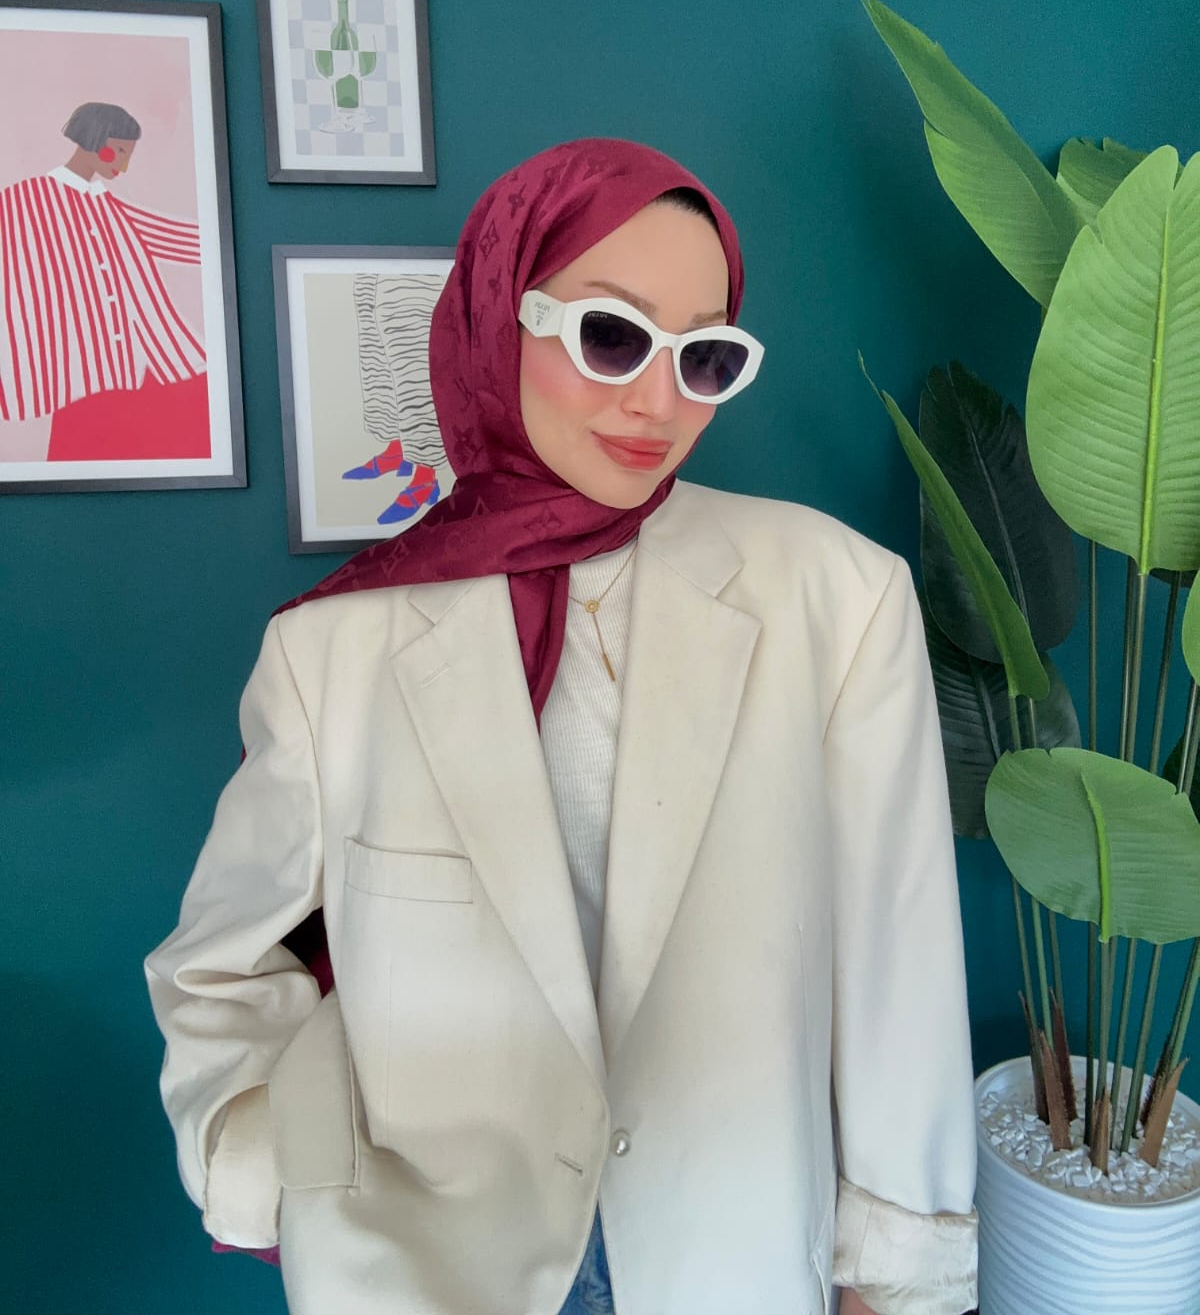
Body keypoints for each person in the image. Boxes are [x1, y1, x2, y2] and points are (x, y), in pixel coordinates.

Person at [146, 139, 978, 1315]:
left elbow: (898, 961)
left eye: (705, 357)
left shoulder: (837, 599)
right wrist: (270, 1170)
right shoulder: (337, 648)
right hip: (427, 1271)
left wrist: (893, 1272)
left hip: (728, 1252)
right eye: (611, 335)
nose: (658, 402)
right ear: (501, 315)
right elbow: (221, 964)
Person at [0, 101, 208, 461]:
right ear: (94, 140)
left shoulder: (108, 205)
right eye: (120, 152)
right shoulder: (18, 202)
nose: (123, 166)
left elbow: (185, 239)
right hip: (75, 373)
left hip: (142, 360)